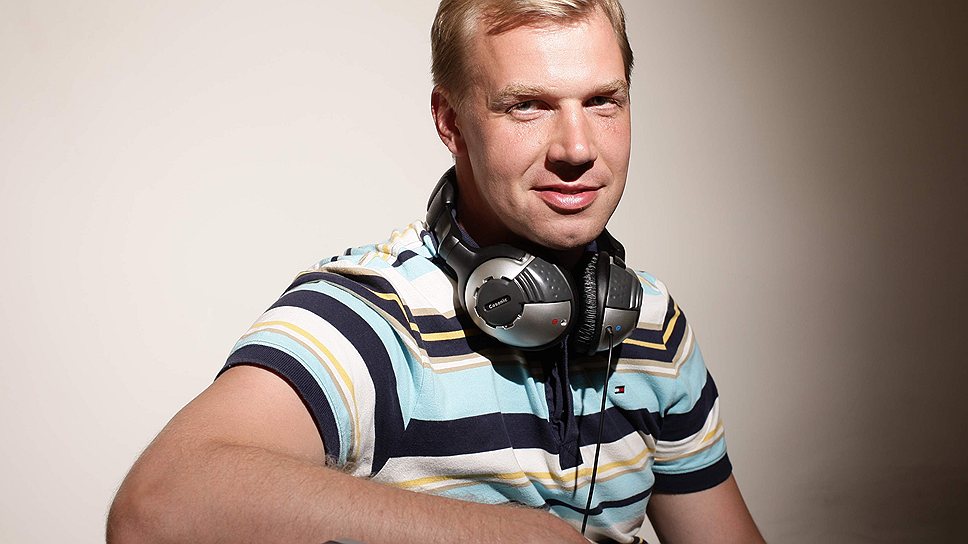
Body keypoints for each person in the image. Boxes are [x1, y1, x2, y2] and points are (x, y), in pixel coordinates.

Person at [108, 1, 764, 542]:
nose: (577, 147)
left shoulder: (650, 324)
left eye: (602, 101)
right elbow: (156, 508)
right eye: (527, 105)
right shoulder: (368, 315)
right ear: (451, 123)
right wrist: (505, 535)